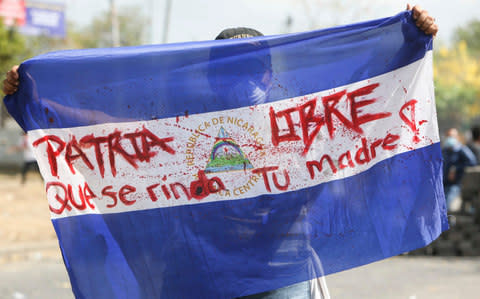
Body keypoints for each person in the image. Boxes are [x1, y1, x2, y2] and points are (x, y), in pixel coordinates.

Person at [2, 4, 438, 299]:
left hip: (281, 275)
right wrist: (38, 101)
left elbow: (364, 100)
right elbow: (104, 130)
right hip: (200, 276)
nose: (244, 74)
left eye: (254, 63)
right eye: (229, 64)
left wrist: (409, 42)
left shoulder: (296, 123)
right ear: (211, 73)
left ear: (269, 71)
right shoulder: (186, 124)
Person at [442, 128, 477, 211]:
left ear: (457, 137)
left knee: (447, 206)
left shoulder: (462, 150)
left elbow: (472, 162)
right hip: (443, 183)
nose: (449, 138)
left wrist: (456, 168)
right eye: (448, 136)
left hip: (455, 184)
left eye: (452, 136)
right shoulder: (445, 150)